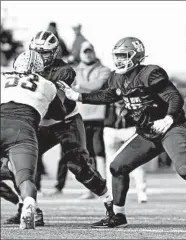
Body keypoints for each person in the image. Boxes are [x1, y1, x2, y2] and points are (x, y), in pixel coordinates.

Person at [58, 36, 186, 229]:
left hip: (171, 129)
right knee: (117, 167)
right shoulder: (116, 77)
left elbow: (175, 97)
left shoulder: (150, 73)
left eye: (123, 55)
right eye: (116, 56)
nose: (118, 60)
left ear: (136, 56)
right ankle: (118, 216)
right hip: (147, 133)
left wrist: (168, 118)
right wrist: (78, 97)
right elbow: (109, 95)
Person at [7, 31, 114, 225]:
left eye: (45, 52)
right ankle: (30, 207)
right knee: (19, 162)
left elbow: (56, 109)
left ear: (55, 52)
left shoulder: (64, 71)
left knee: (79, 166)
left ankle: (110, 204)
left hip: (65, 121)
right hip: (38, 123)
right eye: (36, 51)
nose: (39, 56)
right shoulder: (23, 63)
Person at [1, 50, 65, 229]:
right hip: (24, 129)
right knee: (25, 178)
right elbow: (60, 115)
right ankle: (29, 204)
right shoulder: (48, 85)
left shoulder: (3, 77)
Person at [47, 41, 110, 198]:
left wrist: (76, 86)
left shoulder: (104, 69)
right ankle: (59, 186)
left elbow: (97, 85)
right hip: (76, 117)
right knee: (68, 155)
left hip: (97, 117)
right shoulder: (72, 69)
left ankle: (101, 186)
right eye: (85, 51)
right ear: (80, 54)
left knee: (98, 153)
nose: (88, 54)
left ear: (94, 52)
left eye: (90, 51)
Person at [103, 100, 148, 203]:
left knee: (137, 160)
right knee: (111, 162)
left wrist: (128, 110)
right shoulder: (107, 88)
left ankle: (141, 191)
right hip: (111, 128)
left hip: (129, 128)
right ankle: (111, 192)